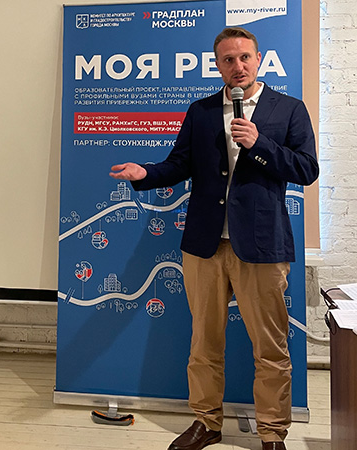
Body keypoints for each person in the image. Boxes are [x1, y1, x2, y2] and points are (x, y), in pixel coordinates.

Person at [110, 27, 318, 450]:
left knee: (271, 348)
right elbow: (179, 164)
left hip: (261, 246)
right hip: (205, 246)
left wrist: (260, 144)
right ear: (217, 65)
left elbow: (306, 170)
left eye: (244, 57)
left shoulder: (289, 109)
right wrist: (146, 173)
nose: (237, 66)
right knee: (204, 343)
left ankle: (272, 433)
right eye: (228, 59)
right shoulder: (202, 111)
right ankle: (206, 422)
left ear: (258, 59)